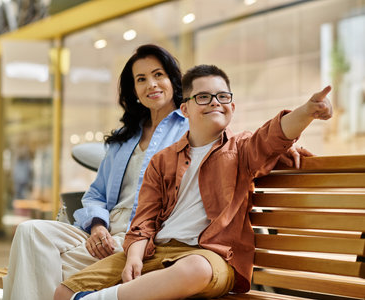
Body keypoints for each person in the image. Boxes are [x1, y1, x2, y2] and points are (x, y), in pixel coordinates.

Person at [54, 64, 333, 300]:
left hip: (212, 257)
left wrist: (308, 110)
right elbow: (143, 221)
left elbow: (274, 135)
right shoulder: (162, 160)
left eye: (222, 96)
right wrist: (135, 257)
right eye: (203, 97)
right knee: (64, 291)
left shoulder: (242, 149)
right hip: (157, 250)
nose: (215, 102)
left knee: (194, 271)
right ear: (184, 109)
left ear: (232, 106)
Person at [2, 44, 189, 300]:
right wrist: (98, 226)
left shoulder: (189, 131)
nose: (152, 85)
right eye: (141, 79)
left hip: (139, 237)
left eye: (159, 75)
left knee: (36, 264)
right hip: (104, 231)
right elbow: (96, 193)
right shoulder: (124, 139)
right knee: (29, 232)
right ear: (134, 91)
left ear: (172, 80)